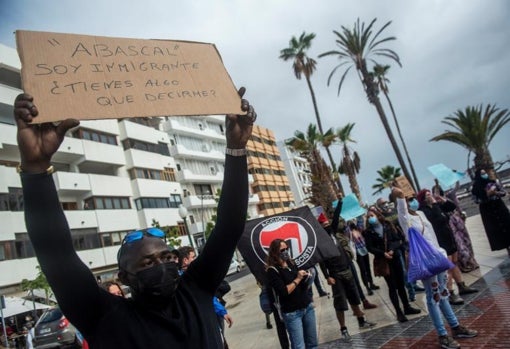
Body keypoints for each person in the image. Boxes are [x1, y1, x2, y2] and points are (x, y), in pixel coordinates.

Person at [14, 88, 255, 348]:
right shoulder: (105, 316)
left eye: (167, 257)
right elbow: (57, 255)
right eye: (147, 263)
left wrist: (236, 149)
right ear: (124, 277)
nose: (162, 266)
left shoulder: (196, 289)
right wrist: (36, 169)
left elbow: (229, 225)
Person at [392, 187, 478, 349]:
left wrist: (441, 254)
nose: (412, 201)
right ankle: (442, 335)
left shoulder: (422, 214)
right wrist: (400, 196)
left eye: (412, 197)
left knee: (443, 293)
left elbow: (431, 236)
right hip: (426, 263)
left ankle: (455, 327)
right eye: (409, 199)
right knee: (433, 298)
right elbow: (402, 208)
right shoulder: (405, 219)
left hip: (438, 257)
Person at [416, 189, 478, 305]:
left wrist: (443, 200)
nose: (430, 196)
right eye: (427, 195)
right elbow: (435, 219)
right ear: (423, 199)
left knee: (455, 262)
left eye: (430, 194)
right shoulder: (423, 211)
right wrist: (434, 204)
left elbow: (451, 207)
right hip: (440, 241)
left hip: (449, 237)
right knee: (448, 267)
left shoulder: (438, 205)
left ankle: (461, 285)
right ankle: (450, 292)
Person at [364, 209, 421, 322]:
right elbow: (370, 247)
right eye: (369, 216)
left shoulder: (387, 226)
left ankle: (406, 307)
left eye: (372, 215)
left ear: (377, 215)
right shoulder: (368, 232)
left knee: (401, 285)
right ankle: (398, 312)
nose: (371, 218)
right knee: (392, 287)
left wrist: (391, 250)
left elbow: (397, 239)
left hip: (394, 257)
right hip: (384, 261)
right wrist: (382, 253)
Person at [266, 239, 318, 349]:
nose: (285, 252)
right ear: (275, 252)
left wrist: (307, 277)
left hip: (307, 307)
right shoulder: (272, 270)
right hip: (292, 313)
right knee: (299, 346)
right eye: (282, 250)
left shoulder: (291, 262)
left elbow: (301, 285)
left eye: (286, 249)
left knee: (312, 343)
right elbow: (284, 292)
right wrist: (298, 278)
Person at [471, 168, 510, 255]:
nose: (485, 175)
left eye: (485, 173)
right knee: (496, 229)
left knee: (507, 224)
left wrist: (495, 193)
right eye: (482, 174)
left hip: (498, 206)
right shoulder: (475, 188)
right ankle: (506, 247)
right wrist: (486, 195)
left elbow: (503, 192)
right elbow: (476, 200)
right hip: (487, 210)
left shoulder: (493, 182)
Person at [445, 183, 479, 272]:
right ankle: (465, 263)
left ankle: (470, 261)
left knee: (466, 241)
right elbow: (457, 187)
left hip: (458, 219)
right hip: (453, 222)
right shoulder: (448, 196)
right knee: (460, 244)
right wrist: (456, 180)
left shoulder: (450, 195)